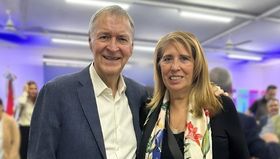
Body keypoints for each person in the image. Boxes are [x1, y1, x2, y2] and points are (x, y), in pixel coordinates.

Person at [28, 5, 149, 159]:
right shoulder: (56, 93)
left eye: (122, 39)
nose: (112, 47)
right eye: (104, 37)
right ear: (90, 41)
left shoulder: (139, 95)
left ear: (131, 47)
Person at [137, 32, 249, 159]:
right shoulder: (148, 112)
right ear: (159, 66)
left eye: (184, 58)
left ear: (197, 65)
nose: (174, 67)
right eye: (167, 59)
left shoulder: (220, 106)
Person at [209, 67, 280, 159]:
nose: (274, 106)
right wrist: (274, 143)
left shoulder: (193, 119)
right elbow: (265, 153)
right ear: (231, 89)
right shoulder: (246, 120)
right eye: (271, 105)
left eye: (274, 95)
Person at [14, 80, 38, 159]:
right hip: (24, 130)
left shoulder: (38, 101)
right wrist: (25, 92)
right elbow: (20, 104)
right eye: (31, 89)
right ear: (27, 90)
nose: (33, 91)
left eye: (35, 88)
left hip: (35, 130)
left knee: (34, 152)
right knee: (24, 153)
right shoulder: (23, 100)